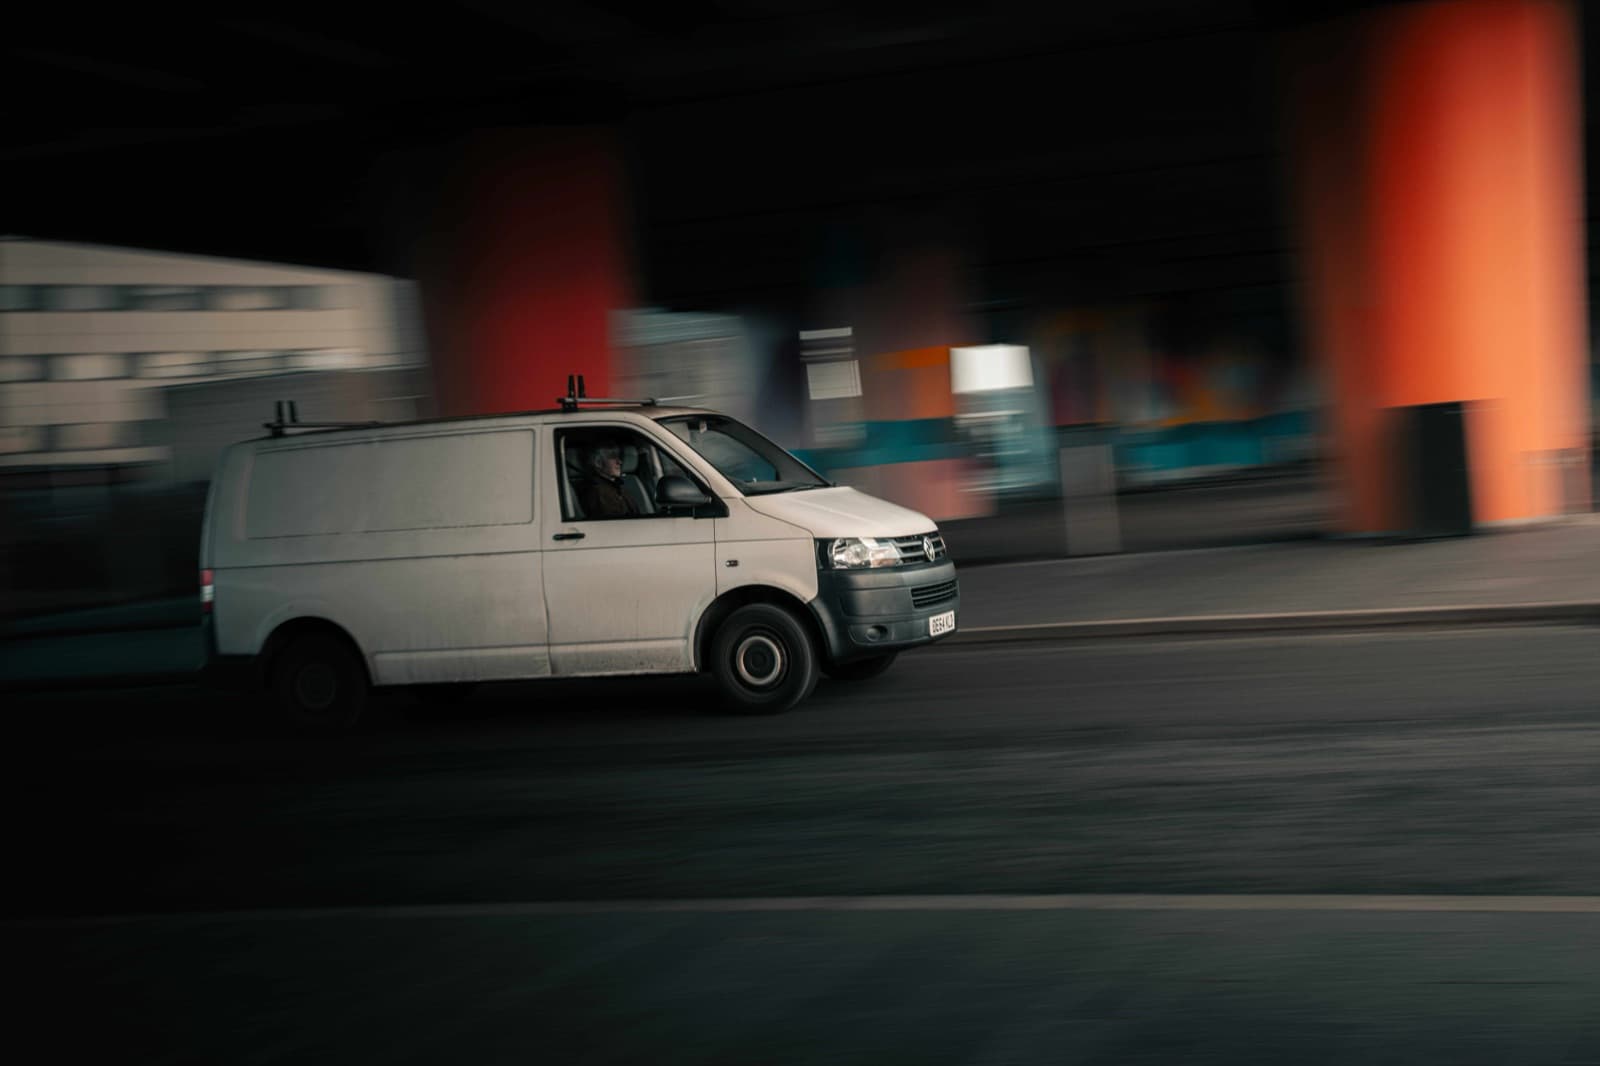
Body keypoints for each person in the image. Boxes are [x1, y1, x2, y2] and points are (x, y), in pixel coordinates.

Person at [577, 440, 636, 518]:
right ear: (598, 462)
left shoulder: (616, 487)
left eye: (619, 457)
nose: (619, 462)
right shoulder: (597, 492)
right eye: (612, 457)